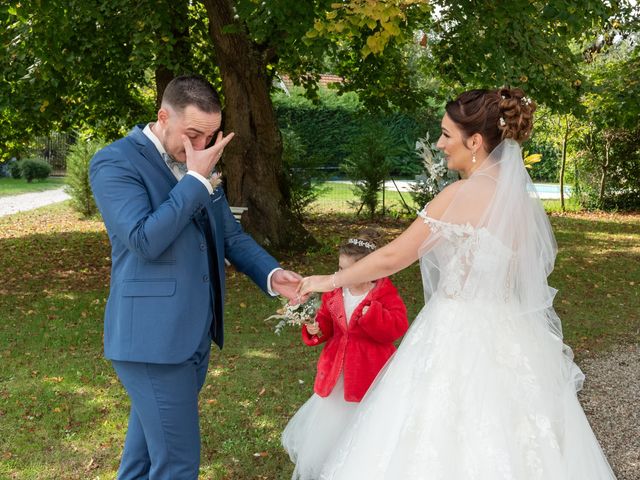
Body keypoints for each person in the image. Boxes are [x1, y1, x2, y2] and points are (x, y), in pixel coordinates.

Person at [298, 88, 617, 479]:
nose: (440, 143)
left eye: (447, 134)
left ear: (476, 142)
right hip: (510, 333)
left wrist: (328, 279)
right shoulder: (517, 202)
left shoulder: (457, 195)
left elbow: (392, 257)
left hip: (451, 334)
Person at [89, 75, 302, 479]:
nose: (202, 147)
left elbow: (230, 236)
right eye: (192, 134)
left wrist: (272, 275)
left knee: (144, 460)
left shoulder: (200, 163)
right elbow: (143, 240)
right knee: (178, 465)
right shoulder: (115, 161)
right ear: (163, 116)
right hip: (153, 343)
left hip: (193, 335)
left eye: (210, 136)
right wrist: (195, 181)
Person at [282, 229, 409, 479]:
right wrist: (315, 328)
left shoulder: (384, 293)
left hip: (369, 371)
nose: (339, 275)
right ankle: (330, 465)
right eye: (338, 268)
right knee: (332, 424)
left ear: (367, 270)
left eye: (346, 270)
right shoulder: (335, 293)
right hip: (336, 372)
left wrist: (372, 314)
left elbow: (397, 327)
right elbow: (327, 323)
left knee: (365, 422)